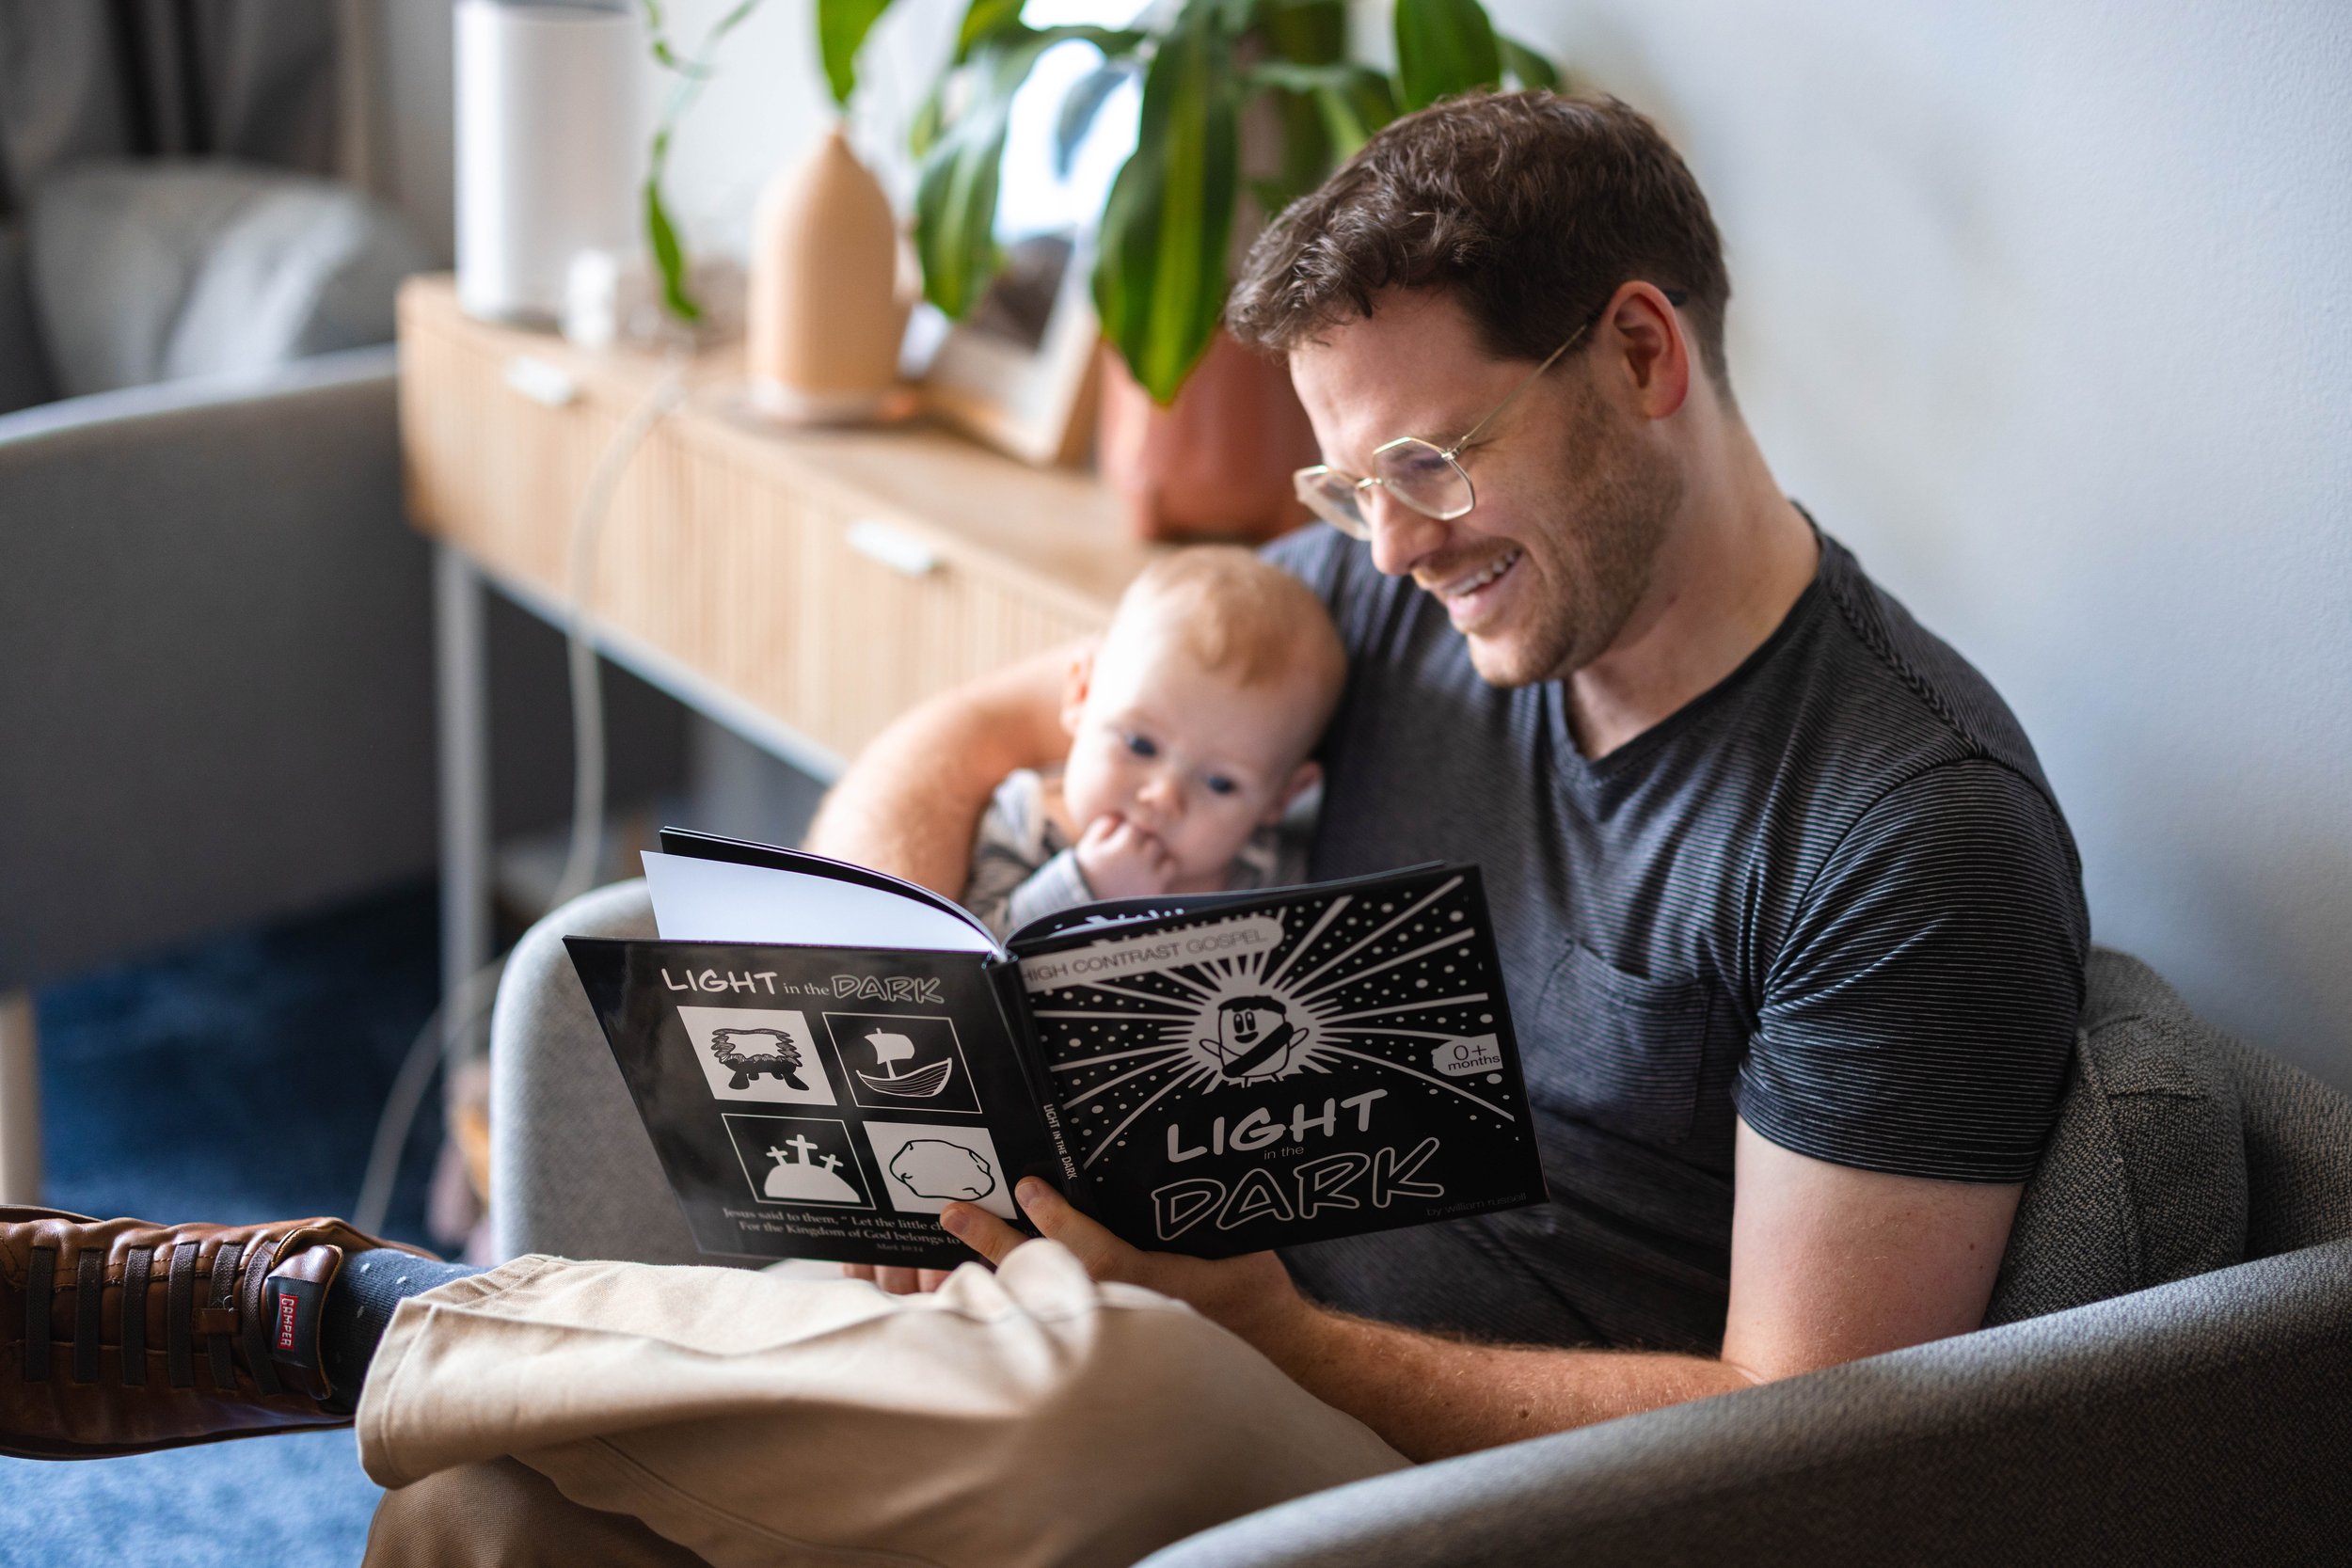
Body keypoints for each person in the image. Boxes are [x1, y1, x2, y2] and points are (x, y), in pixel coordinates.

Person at [1, 90, 2087, 1563]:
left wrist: (1271, 1327)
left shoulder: (1900, 822)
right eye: (1351, 486)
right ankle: (406, 1360)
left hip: (1440, 1455)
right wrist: (892, 937)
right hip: (1146, 1290)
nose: (1394, 539)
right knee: (476, 1517)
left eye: (1430, 459)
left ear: (1639, 353)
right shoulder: (1380, 598)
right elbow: (995, 713)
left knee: (1110, 1387)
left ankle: (349, 1314)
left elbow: (1811, 1425)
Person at [960, 546, 1343, 938]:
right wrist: (1085, 887)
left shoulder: (1268, 872)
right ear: (1081, 693)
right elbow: (974, 963)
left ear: (1282, 796)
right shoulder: (1030, 823)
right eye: (1140, 745)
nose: (1163, 797)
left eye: (1220, 783)